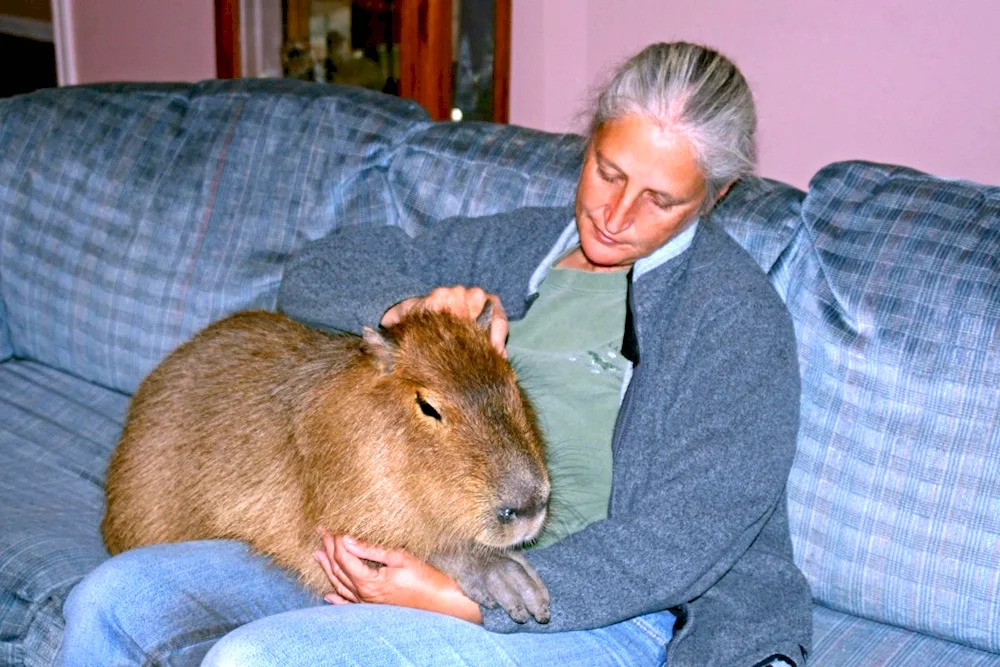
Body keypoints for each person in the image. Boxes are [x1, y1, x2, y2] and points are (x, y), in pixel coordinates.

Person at [58, 42, 812, 666]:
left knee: (255, 658)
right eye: (608, 172)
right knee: (111, 602)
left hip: (591, 606)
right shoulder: (526, 242)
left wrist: (461, 591)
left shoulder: (734, 321)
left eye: (660, 198)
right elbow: (322, 269)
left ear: (714, 196)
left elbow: (685, 536)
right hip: (405, 553)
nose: (614, 216)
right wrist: (407, 309)